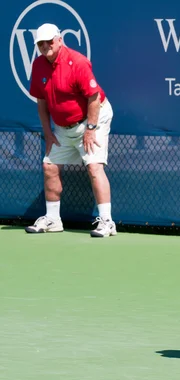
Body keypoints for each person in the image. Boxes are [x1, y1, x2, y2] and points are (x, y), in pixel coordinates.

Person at [25, 23, 116, 237]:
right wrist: (47, 132)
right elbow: (41, 101)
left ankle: (107, 222)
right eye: (41, 43)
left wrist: (91, 129)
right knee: (49, 167)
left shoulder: (78, 62)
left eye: (49, 41)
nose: (45, 45)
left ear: (59, 40)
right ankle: (53, 219)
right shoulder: (38, 65)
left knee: (94, 167)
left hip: (93, 118)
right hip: (63, 127)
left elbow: (93, 98)